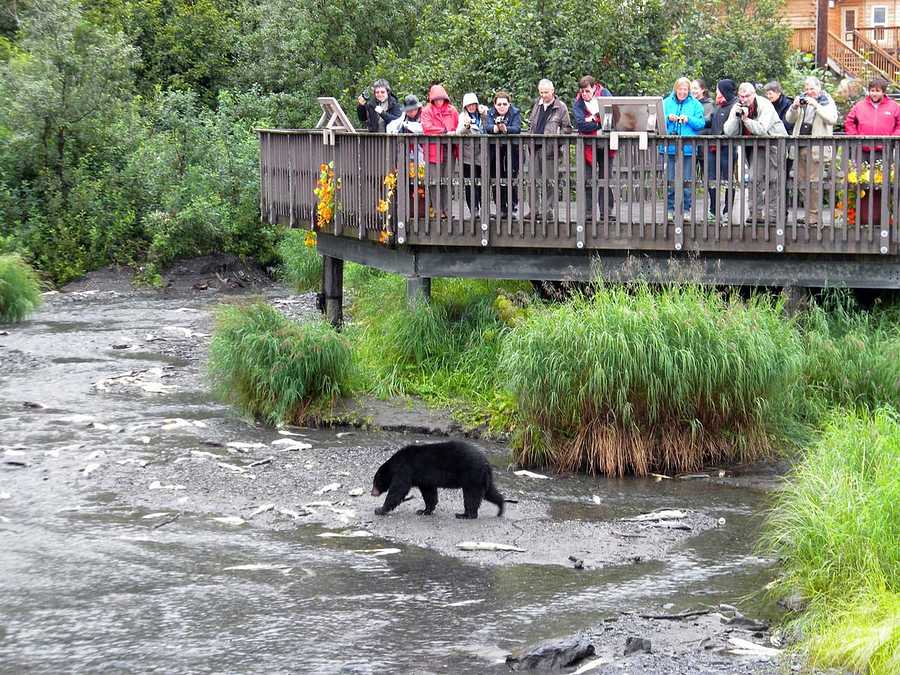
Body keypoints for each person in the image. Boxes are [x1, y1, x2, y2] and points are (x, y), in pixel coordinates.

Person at [724, 82, 788, 224]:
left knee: (773, 179)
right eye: (741, 96)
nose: (744, 99)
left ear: (754, 94)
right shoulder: (737, 106)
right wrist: (737, 116)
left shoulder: (765, 105)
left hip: (774, 143)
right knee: (753, 178)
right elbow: (728, 131)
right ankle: (755, 214)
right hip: (757, 145)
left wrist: (746, 120)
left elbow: (761, 129)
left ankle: (773, 215)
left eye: (747, 96)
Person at [784, 76, 837, 226]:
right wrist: (794, 107)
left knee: (814, 183)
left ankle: (814, 216)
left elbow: (832, 119)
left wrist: (815, 105)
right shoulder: (803, 100)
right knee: (801, 183)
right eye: (806, 89)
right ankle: (809, 214)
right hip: (800, 146)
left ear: (818, 88)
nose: (809, 92)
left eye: (812, 89)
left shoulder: (826, 100)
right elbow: (789, 119)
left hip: (816, 148)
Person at [660, 77, 706, 218]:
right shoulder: (665, 102)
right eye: (680, 89)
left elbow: (701, 124)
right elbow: (657, 121)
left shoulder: (696, 104)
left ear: (689, 90)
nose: (682, 92)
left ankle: (686, 210)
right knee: (670, 180)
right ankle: (669, 209)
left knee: (687, 180)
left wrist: (688, 119)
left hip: (688, 148)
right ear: (676, 89)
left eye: (685, 89)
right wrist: (668, 118)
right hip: (669, 147)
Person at [527, 79, 573, 220]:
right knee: (532, 181)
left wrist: (557, 136)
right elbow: (531, 124)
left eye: (546, 92)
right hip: (535, 147)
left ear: (553, 91)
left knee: (550, 182)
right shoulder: (537, 105)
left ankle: (547, 211)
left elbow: (568, 129)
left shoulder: (561, 107)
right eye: (541, 92)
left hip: (550, 149)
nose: (543, 95)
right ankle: (533, 211)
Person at [573, 75, 615, 223]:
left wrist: (593, 121)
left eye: (587, 91)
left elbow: (611, 119)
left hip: (606, 144)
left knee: (605, 179)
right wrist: (598, 121)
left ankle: (607, 213)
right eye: (582, 91)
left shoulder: (605, 94)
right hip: (588, 145)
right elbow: (581, 125)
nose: (584, 94)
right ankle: (589, 214)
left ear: (594, 87)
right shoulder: (578, 102)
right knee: (588, 180)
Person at [420, 84, 459, 218]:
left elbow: (457, 128)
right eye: (436, 99)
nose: (438, 101)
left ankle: (447, 210)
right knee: (434, 181)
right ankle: (438, 211)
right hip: (433, 151)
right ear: (431, 99)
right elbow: (427, 128)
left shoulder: (452, 110)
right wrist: (444, 131)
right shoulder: (426, 111)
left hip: (449, 149)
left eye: (441, 98)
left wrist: (451, 133)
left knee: (448, 180)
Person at [705, 79, 739, 222]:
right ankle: (713, 210)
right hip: (713, 147)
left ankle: (727, 211)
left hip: (728, 148)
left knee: (727, 180)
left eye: (719, 90)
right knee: (711, 179)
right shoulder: (718, 106)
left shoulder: (735, 106)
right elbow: (709, 122)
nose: (717, 92)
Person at [486, 91, 523, 217]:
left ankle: (512, 207)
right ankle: (501, 208)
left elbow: (517, 128)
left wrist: (505, 129)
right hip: (494, 152)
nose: (502, 106)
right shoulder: (491, 113)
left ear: (509, 104)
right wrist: (496, 129)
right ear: (495, 105)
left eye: (504, 104)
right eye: (499, 104)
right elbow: (488, 127)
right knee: (496, 179)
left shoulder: (515, 112)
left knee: (511, 179)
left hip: (512, 151)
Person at [844, 77, 900, 158]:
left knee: (884, 171)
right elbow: (849, 122)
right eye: (872, 91)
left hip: (885, 149)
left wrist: (893, 138)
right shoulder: (859, 106)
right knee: (860, 171)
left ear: (883, 92)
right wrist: (855, 136)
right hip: (862, 149)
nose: (874, 94)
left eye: (877, 91)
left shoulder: (894, 106)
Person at [456, 92, 489, 217]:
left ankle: (482, 208)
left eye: (473, 104)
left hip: (483, 154)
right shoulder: (463, 116)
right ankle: (473, 210)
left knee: (482, 183)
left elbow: (489, 123)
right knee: (470, 184)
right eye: (468, 105)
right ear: (465, 106)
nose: (471, 107)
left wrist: (484, 112)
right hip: (468, 156)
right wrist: (467, 126)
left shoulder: (482, 115)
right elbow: (458, 132)